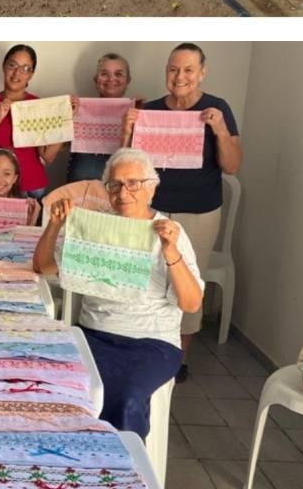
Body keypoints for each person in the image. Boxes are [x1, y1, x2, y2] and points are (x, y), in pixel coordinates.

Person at [34, 148, 201, 433]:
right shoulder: (96, 226)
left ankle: (123, 457)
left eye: (133, 183)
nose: (123, 193)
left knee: (125, 397)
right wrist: (54, 224)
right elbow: (43, 266)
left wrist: (171, 253)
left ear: (151, 188)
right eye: (115, 184)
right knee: (54, 384)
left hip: (152, 342)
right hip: (94, 334)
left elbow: (191, 303)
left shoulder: (170, 232)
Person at [122, 43, 241, 378]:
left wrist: (220, 130)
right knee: (146, 280)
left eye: (188, 69)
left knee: (187, 282)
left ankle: (179, 360)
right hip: (151, 211)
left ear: (202, 73)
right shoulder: (151, 110)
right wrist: (127, 131)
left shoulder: (217, 108)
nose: (180, 76)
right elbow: (127, 165)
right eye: (173, 69)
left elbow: (232, 166)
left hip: (198, 213)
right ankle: (147, 348)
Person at [0, 44, 64, 201]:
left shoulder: (37, 104)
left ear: (31, 74)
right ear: (4, 67)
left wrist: (64, 120)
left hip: (33, 187)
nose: (17, 73)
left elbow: (47, 156)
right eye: (13, 65)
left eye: (25, 68)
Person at [67, 52, 133, 184]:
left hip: (119, 190)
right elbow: (56, 149)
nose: (111, 79)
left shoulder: (138, 112)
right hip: (79, 189)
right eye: (104, 74)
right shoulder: (76, 109)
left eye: (118, 74)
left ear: (128, 80)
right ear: (96, 80)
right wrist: (65, 116)